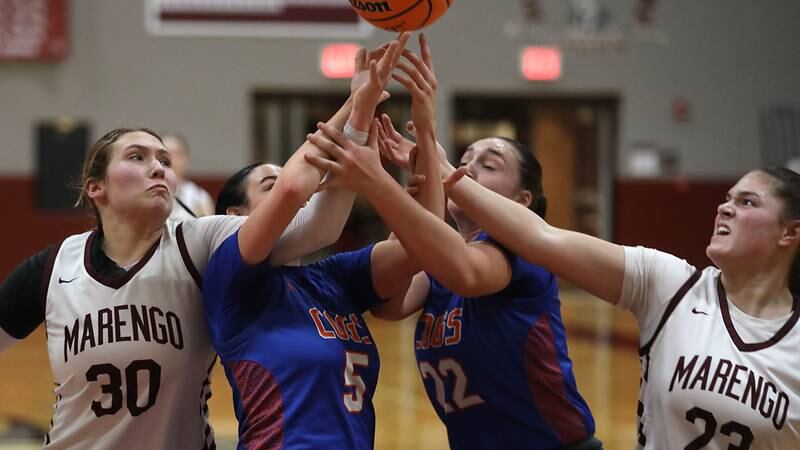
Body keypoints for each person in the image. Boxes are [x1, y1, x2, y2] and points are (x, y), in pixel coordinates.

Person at [0, 39, 388, 449]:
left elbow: (317, 226)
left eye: (164, 161)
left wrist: (357, 114)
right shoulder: (54, 268)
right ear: (96, 187)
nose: (157, 168)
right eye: (137, 157)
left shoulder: (201, 242)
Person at [305, 35, 602, 450]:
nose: (468, 169)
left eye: (489, 165)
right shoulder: (439, 265)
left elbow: (464, 271)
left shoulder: (524, 250)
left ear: (523, 200)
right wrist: (418, 171)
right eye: (463, 160)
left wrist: (420, 148)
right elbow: (391, 302)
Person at [435, 159, 800, 447]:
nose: (724, 208)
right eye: (728, 198)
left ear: (790, 232)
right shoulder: (671, 285)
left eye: (747, 202)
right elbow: (539, 236)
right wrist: (445, 172)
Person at [202, 32, 445, 449]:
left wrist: (425, 131)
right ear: (235, 218)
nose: (300, 188)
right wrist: (358, 107)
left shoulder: (332, 278)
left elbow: (422, 245)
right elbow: (294, 190)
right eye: (269, 186)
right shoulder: (231, 277)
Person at [162, 132, 216, 220]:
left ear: (186, 159)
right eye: (164, 154)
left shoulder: (199, 197)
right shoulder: (146, 194)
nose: (170, 159)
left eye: (176, 154)